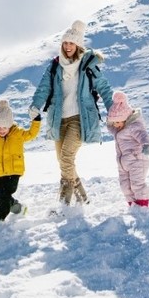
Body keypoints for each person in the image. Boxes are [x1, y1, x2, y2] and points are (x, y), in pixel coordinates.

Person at [29, 19, 114, 206]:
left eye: (71, 43)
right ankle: (83, 198)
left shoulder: (87, 65)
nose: (68, 47)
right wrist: (35, 106)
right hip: (58, 119)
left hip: (79, 119)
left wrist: (113, 109)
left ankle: (64, 204)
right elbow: (43, 88)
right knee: (63, 162)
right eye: (65, 43)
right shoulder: (55, 66)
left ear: (78, 45)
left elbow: (104, 88)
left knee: (67, 158)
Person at [0, 99, 41, 222]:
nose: (2, 130)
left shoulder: (18, 134)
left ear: (10, 125)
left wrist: (36, 121)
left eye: (5, 127)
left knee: (4, 198)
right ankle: (18, 208)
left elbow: (31, 134)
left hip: (14, 172)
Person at [106, 91, 149, 207]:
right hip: (123, 164)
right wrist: (109, 120)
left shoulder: (134, 126)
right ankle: (132, 205)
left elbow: (143, 135)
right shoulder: (118, 128)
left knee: (137, 185)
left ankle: (142, 205)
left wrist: (146, 145)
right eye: (113, 122)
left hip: (137, 160)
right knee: (125, 187)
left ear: (125, 118)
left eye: (117, 122)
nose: (115, 125)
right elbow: (111, 127)